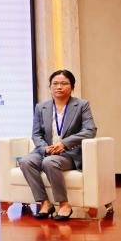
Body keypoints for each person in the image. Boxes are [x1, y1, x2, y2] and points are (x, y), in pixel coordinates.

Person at [18, 69, 96, 221]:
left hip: (69, 153)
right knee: (25, 161)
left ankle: (64, 204)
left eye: (64, 83)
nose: (59, 87)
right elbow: (36, 134)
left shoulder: (81, 105)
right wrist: (44, 148)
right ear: (50, 87)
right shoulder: (41, 107)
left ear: (72, 87)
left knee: (50, 162)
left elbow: (90, 131)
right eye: (55, 83)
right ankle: (45, 203)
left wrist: (64, 144)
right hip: (45, 151)